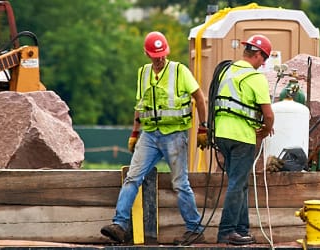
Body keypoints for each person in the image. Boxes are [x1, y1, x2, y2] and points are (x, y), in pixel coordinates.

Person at [101, 31, 207, 245]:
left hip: (174, 135)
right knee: (132, 177)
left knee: (180, 183)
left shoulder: (179, 71)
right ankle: (120, 225)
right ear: (147, 53)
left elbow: (199, 97)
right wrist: (134, 132)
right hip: (149, 135)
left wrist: (202, 128)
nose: (159, 58)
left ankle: (194, 228)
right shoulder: (143, 73)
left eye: (162, 54)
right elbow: (140, 106)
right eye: (155, 55)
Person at [210, 34, 277, 246]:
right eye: (263, 58)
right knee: (237, 184)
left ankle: (241, 229)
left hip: (222, 134)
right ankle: (227, 231)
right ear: (256, 54)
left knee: (241, 183)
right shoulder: (255, 78)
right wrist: (266, 130)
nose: (263, 63)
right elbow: (268, 115)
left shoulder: (227, 71)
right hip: (242, 137)